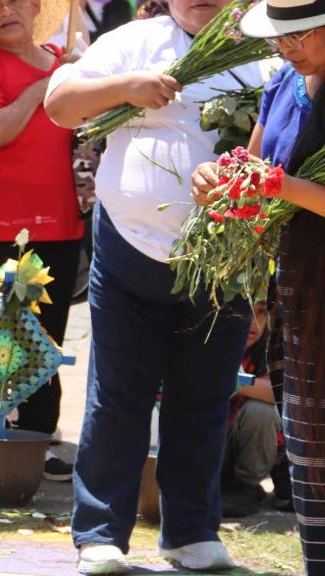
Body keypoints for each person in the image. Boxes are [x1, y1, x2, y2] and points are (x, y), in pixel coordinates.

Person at [44, 0, 273, 571]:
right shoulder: (134, 40)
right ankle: (99, 534)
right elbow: (58, 105)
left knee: (203, 397)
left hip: (224, 260)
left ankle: (191, 533)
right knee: (117, 395)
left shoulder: (266, 54)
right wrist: (127, 86)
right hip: (130, 247)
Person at [190, 1, 325, 570]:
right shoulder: (281, 88)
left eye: (299, 37)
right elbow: (251, 168)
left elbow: (280, 184)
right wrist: (217, 183)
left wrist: (279, 185)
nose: (285, 48)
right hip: (297, 293)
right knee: (310, 455)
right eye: (281, 37)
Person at [0, 0, 81, 483]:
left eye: (16, 0)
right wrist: (45, 87)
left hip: (59, 225)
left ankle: (38, 443)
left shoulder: (70, 65)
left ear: (35, 8)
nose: (6, 10)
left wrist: (69, 79)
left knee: (45, 343)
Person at [220, 300, 282, 518]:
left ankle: (244, 489)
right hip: (204, 446)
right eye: (247, 311)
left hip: (239, 446)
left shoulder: (269, 349)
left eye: (261, 312)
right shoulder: (207, 342)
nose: (255, 322)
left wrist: (234, 382)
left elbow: (277, 392)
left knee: (262, 412)